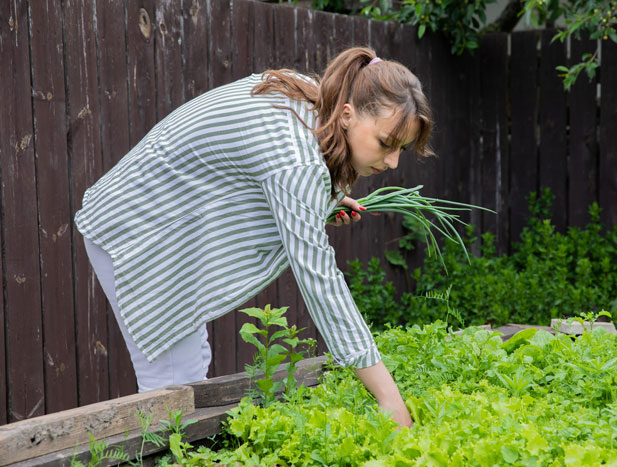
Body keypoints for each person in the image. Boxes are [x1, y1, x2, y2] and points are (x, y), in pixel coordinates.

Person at [74, 47, 433, 428]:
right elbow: (322, 286)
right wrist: (390, 400)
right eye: (385, 143)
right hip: (137, 233)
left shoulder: (313, 97)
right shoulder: (296, 161)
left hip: (156, 224)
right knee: (171, 401)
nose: (393, 162)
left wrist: (321, 200)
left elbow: (254, 171)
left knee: (186, 381)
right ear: (347, 115)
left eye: (401, 149)